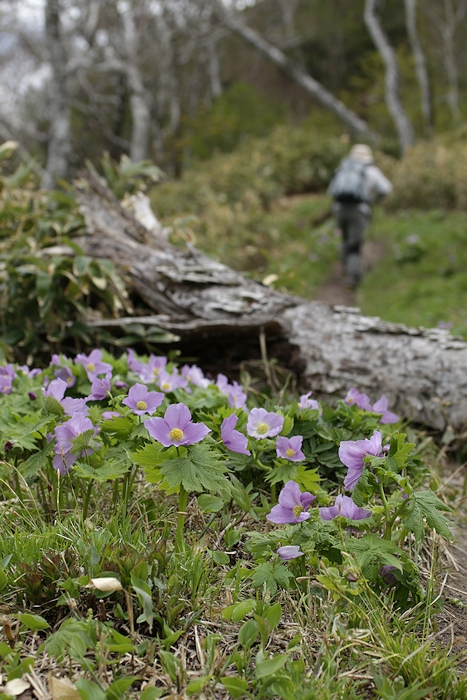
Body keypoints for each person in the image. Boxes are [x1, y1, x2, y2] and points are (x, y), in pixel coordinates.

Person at [328, 143, 392, 290]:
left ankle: (345, 269)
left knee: (345, 240)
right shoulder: (371, 171)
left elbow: (331, 190)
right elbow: (386, 189)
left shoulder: (342, 168)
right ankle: (353, 277)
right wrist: (375, 200)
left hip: (339, 210)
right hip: (359, 211)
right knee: (355, 244)